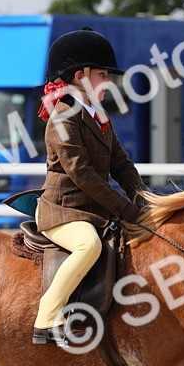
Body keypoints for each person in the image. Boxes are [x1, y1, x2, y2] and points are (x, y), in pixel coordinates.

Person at [33, 27, 148, 345]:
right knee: (89, 246)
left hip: (92, 210)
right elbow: (81, 172)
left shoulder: (97, 114)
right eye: (102, 74)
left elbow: (120, 163)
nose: (108, 81)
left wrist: (144, 198)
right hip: (63, 211)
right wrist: (125, 208)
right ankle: (47, 316)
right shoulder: (63, 116)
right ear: (80, 75)